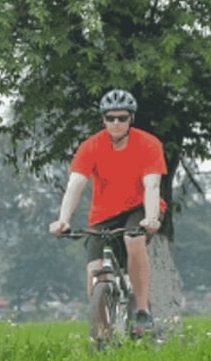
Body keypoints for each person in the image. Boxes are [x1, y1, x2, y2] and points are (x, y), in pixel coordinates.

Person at [48, 89, 166, 335]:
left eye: (122, 118)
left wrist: (152, 217)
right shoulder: (91, 146)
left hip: (140, 208)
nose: (116, 123)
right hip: (104, 215)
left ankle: (142, 310)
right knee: (94, 270)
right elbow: (75, 185)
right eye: (110, 118)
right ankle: (102, 332)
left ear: (131, 119)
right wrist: (63, 220)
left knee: (133, 239)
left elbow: (152, 184)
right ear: (103, 119)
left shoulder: (149, 144)